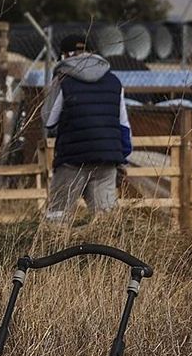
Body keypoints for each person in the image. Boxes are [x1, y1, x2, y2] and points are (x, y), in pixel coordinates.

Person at [43, 34, 132, 222]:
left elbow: (49, 120)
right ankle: (106, 250)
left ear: (64, 56)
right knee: (106, 220)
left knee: (58, 217)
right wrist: (123, 158)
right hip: (107, 158)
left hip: (72, 158)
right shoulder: (114, 81)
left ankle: (56, 247)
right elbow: (124, 126)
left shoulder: (63, 80)